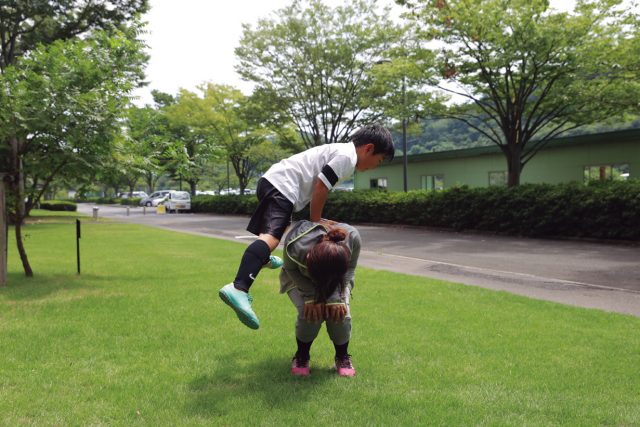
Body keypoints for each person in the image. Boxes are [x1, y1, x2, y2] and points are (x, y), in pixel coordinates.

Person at [218, 124, 394, 330]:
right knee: (270, 238)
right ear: (369, 148)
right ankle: (239, 287)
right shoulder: (347, 157)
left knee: (276, 232)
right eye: (379, 160)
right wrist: (316, 220)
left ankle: (261, 259)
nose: (375, 166)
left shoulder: (342, 152)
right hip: (282, 185)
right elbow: (321, 186)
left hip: (275, 181)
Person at [280, 220, 360, 377]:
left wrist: (336, 297)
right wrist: (311, 296)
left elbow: (351, 268)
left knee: (340, 313)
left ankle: (342, 356)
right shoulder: (295, 246)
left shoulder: (352, 238)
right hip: (299, 277)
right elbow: (290, 269)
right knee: (310, 313)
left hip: (338, 281)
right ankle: (302, 356)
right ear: (309, 257)